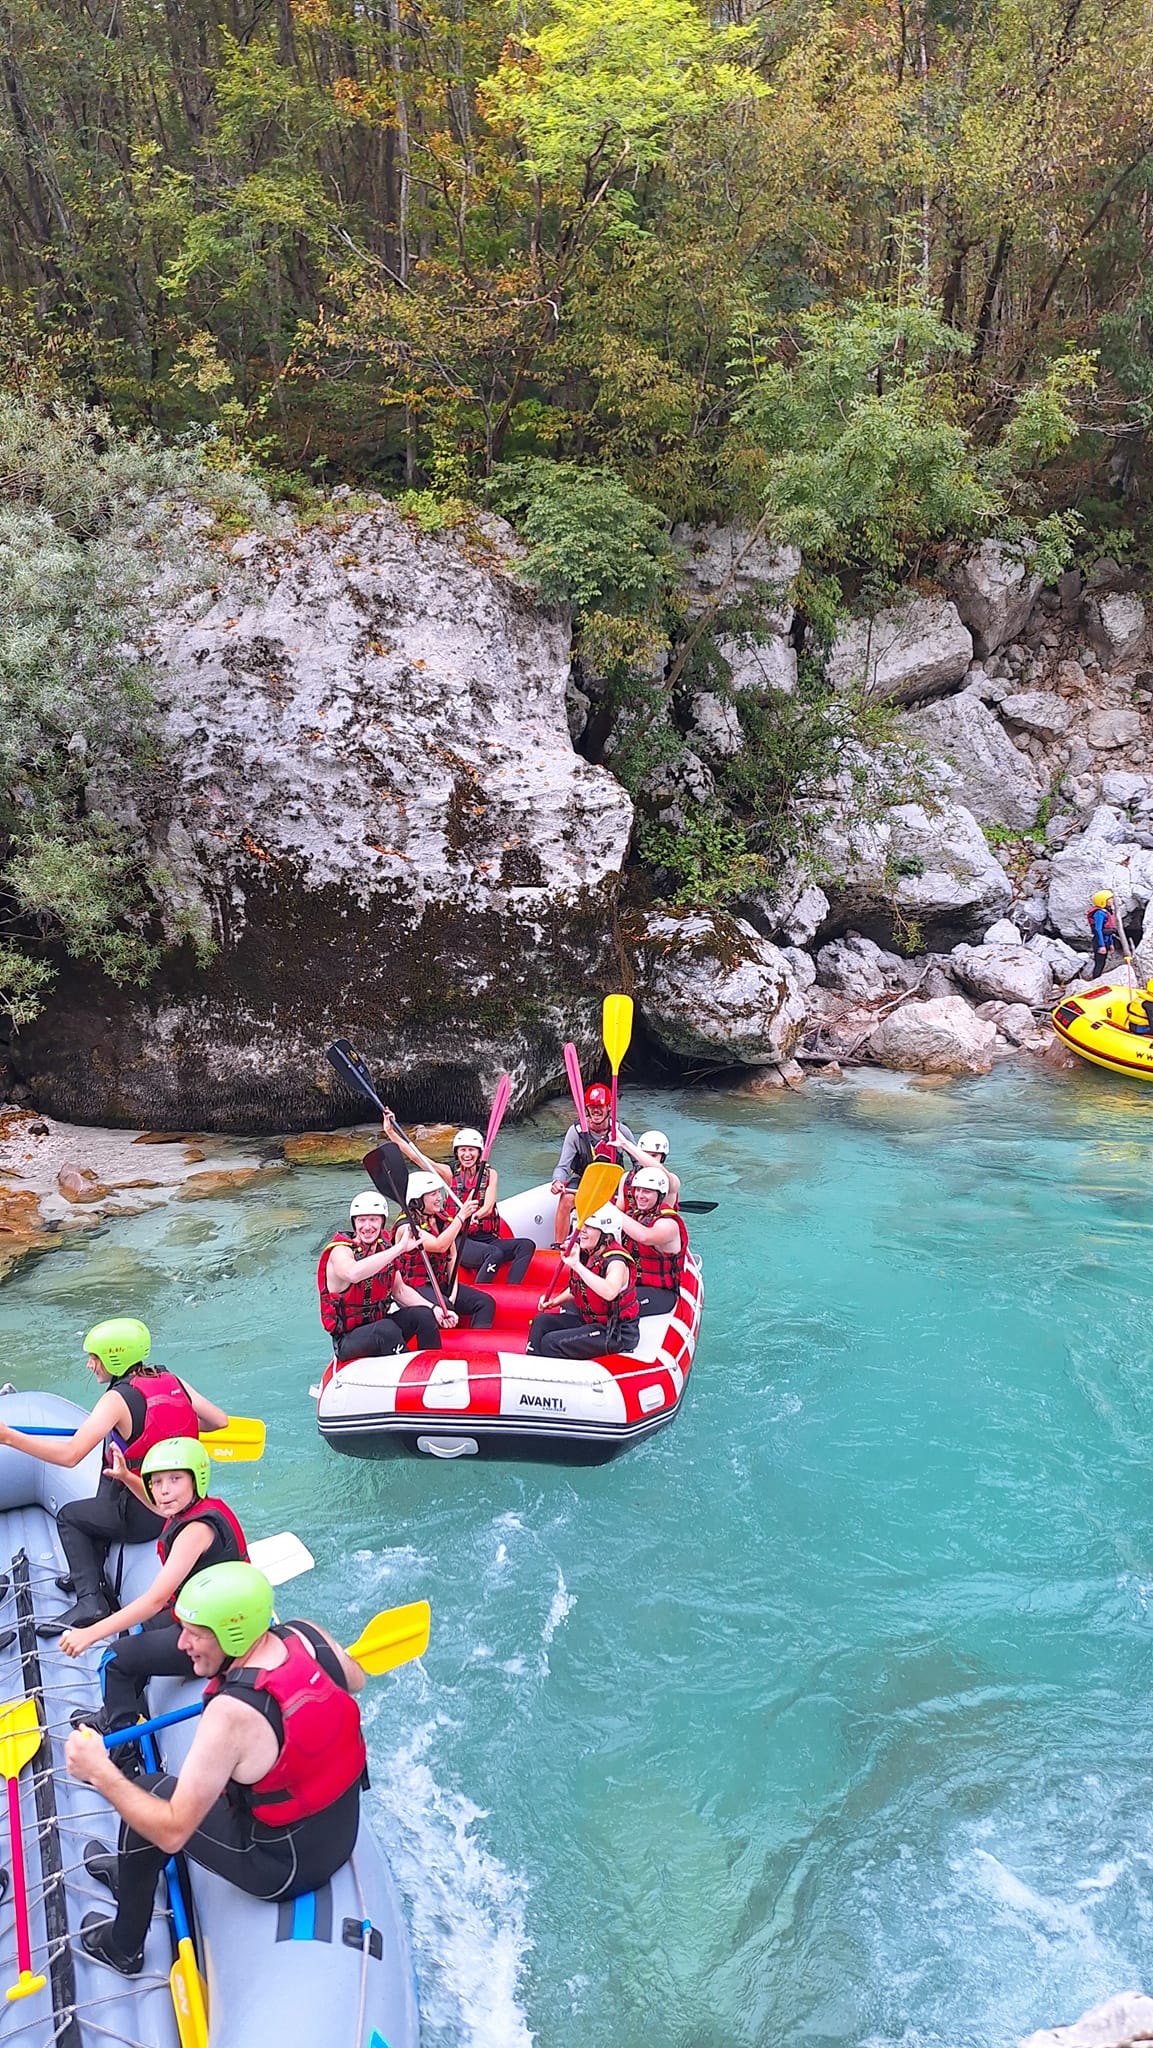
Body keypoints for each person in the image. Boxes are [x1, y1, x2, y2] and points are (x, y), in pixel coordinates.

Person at [66, 1562, 367, 1978]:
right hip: (339, 1833)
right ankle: (135, 1869)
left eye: (196, 1633)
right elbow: (356, 1679)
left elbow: (174, 1830)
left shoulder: (231, 1714)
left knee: (149, 1792)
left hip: (282, 1865)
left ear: (233, 1634)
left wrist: (100, 1771)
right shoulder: (305, 1635)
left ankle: (124, 1947)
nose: (183, 1643)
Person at [0, 1318, 227, 1636]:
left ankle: (90, 1601)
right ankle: (88, 1574)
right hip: (170, 1507)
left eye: (95, 1357)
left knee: (71, 1517)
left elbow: (71, 1455)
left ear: (114, 1358)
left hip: (138, 1513)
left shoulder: (116, 1400)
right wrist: (171, 1428)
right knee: (100, 1497)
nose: (90, 1364)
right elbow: (219, 1421)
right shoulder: (171, 1380)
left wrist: (9, 1437)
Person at [62, 1436, 248, 1740]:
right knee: (138, 1630)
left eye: (175, 1479)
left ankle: (123, 1747)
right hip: (208, 1617)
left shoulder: (195, 1532)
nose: (164, 1490)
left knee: (114, 1659)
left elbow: (155, 1600)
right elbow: (159, 1508)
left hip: (214, 1639)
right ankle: (121, 1710)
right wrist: (126, 1477)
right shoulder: (200, 1507)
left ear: (196, 1479)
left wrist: (89, 1634)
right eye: (157, 1482)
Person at [397, 1128, 537, 1286]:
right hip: (460, 1238)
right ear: (457, 1153)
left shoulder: (490, 1174)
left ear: (479, 1152)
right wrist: (391, 1133)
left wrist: (475, 1216)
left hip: (486, 1238)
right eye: (462, 1150)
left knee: (526, 1245)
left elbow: (488, 1206)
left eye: (471, 1150)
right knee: (495, 1254)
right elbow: (416, 1157)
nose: (467, 1154)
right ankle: (481, 1291)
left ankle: (512, 1288)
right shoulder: (449, 1174)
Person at [319, 1190, 434, 1360]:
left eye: (373, 1220)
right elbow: (353, 1273)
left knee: (423, 1315)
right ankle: (409, 1371)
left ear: (382, 1222)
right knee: (386, 1329)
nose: (367, 1227)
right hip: (348, 1339)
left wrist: (434, 1309)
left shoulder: (383, 1248)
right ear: (354, 1223)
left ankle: (432, 1364)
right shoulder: (340, 1251)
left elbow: (400, 1290)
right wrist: (399, 1249)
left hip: (379, 1325)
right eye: (361, 1220)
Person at [526, 1206, 640, 1359]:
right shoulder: (588, 1253)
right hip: (590, 1321)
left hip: (615, 1331)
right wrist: (554, 1302)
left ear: (606, 1234)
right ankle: (533, 1365)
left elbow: (610, 1292)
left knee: (551, 1343)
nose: (582, 1231)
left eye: (590, 1227)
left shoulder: (616, 1262)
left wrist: (577, 1266)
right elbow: (577, 1288)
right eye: (583, 1225)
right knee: (541, 1322)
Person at [390, 1173, 496, 1331]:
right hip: (415, 1288)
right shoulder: (406, 1227)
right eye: (433, 1194)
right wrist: (461, 1216)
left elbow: (452, 1255)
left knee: (485, 1303)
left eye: (439, 1192)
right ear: (417, 1200)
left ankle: (478, 1342)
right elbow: (439, 1245)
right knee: (446, 1307)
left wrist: (453, 1292)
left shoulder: (440, 1217)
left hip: (441, 1283)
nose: (439, 1198)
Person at [550, 1084, 635, 1244]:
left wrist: (635, 1187)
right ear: (587, 1108)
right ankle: (559, 1246)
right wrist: (557, 1181)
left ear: (609, 1107)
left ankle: (621, 1243)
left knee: (625, 1204)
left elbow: (637, 1163)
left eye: (600, 1106)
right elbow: (563, 1166)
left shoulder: (621, 1132)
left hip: (612, 1182)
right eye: (592, 1106)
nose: (596, 1111)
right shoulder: (576, 1132)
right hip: (584, 1180)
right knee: (566, 1199)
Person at [613, 1166, 689, 1316]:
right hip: (633, 1285)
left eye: (647, 1191)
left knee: (612, 1308)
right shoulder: (634, 1215)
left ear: (660, 1195)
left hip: (661, 1293)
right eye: (638, 1190)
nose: (640, 1196)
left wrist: (611, 1210)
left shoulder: (668, 1224)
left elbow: (645, 1237)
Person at [618, 1129, 681, 1208]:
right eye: (644, 1154)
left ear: (662, 1158)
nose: (646, 1159)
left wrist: (624, 1144)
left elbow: (655, 1167)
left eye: (653, 1155)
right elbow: (619, 1209)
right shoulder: (626, 1178)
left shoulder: (671, 1181)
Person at [1087, 890, 1120, 977]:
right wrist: (1102, 945)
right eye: (1109, 899)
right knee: (1099, 962)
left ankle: (1098, 978)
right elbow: (1098, 929)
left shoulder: (1107, 911)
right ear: (1103, 901)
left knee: (1103, 962)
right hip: (1099, 941)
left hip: (1106, 940)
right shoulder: (1099, 913)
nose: (1112, 900)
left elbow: (1109, 930)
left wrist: (1111, 943)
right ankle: (1095, 979)